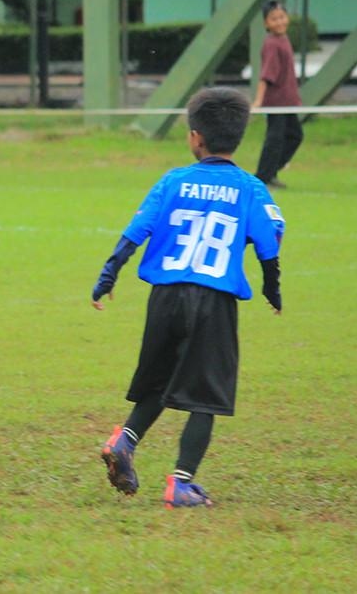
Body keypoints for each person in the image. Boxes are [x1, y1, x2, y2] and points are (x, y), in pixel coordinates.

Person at [91, 87, 285, 508]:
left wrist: (108, 275)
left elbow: (135, 231)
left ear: (195, 137)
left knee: (160, 379)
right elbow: (271, 240)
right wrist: (273, 288)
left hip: (164, 296)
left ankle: (124, 442)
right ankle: (181, 483)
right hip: (212, 300)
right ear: (238, 136)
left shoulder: (172, 180)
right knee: (206, 394)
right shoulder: (251, 188)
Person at [252, 0, 303, 189]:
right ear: (266, 23)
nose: (280, 22)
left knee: (294, 136)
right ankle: (262, 178)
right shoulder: (272, 44)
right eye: (274, 19)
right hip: (276, 102)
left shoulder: (283, 39)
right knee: (274, 139)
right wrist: (258, 100)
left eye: (282, 16)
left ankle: (270, 173)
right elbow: (266, 75)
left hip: (288, 101)